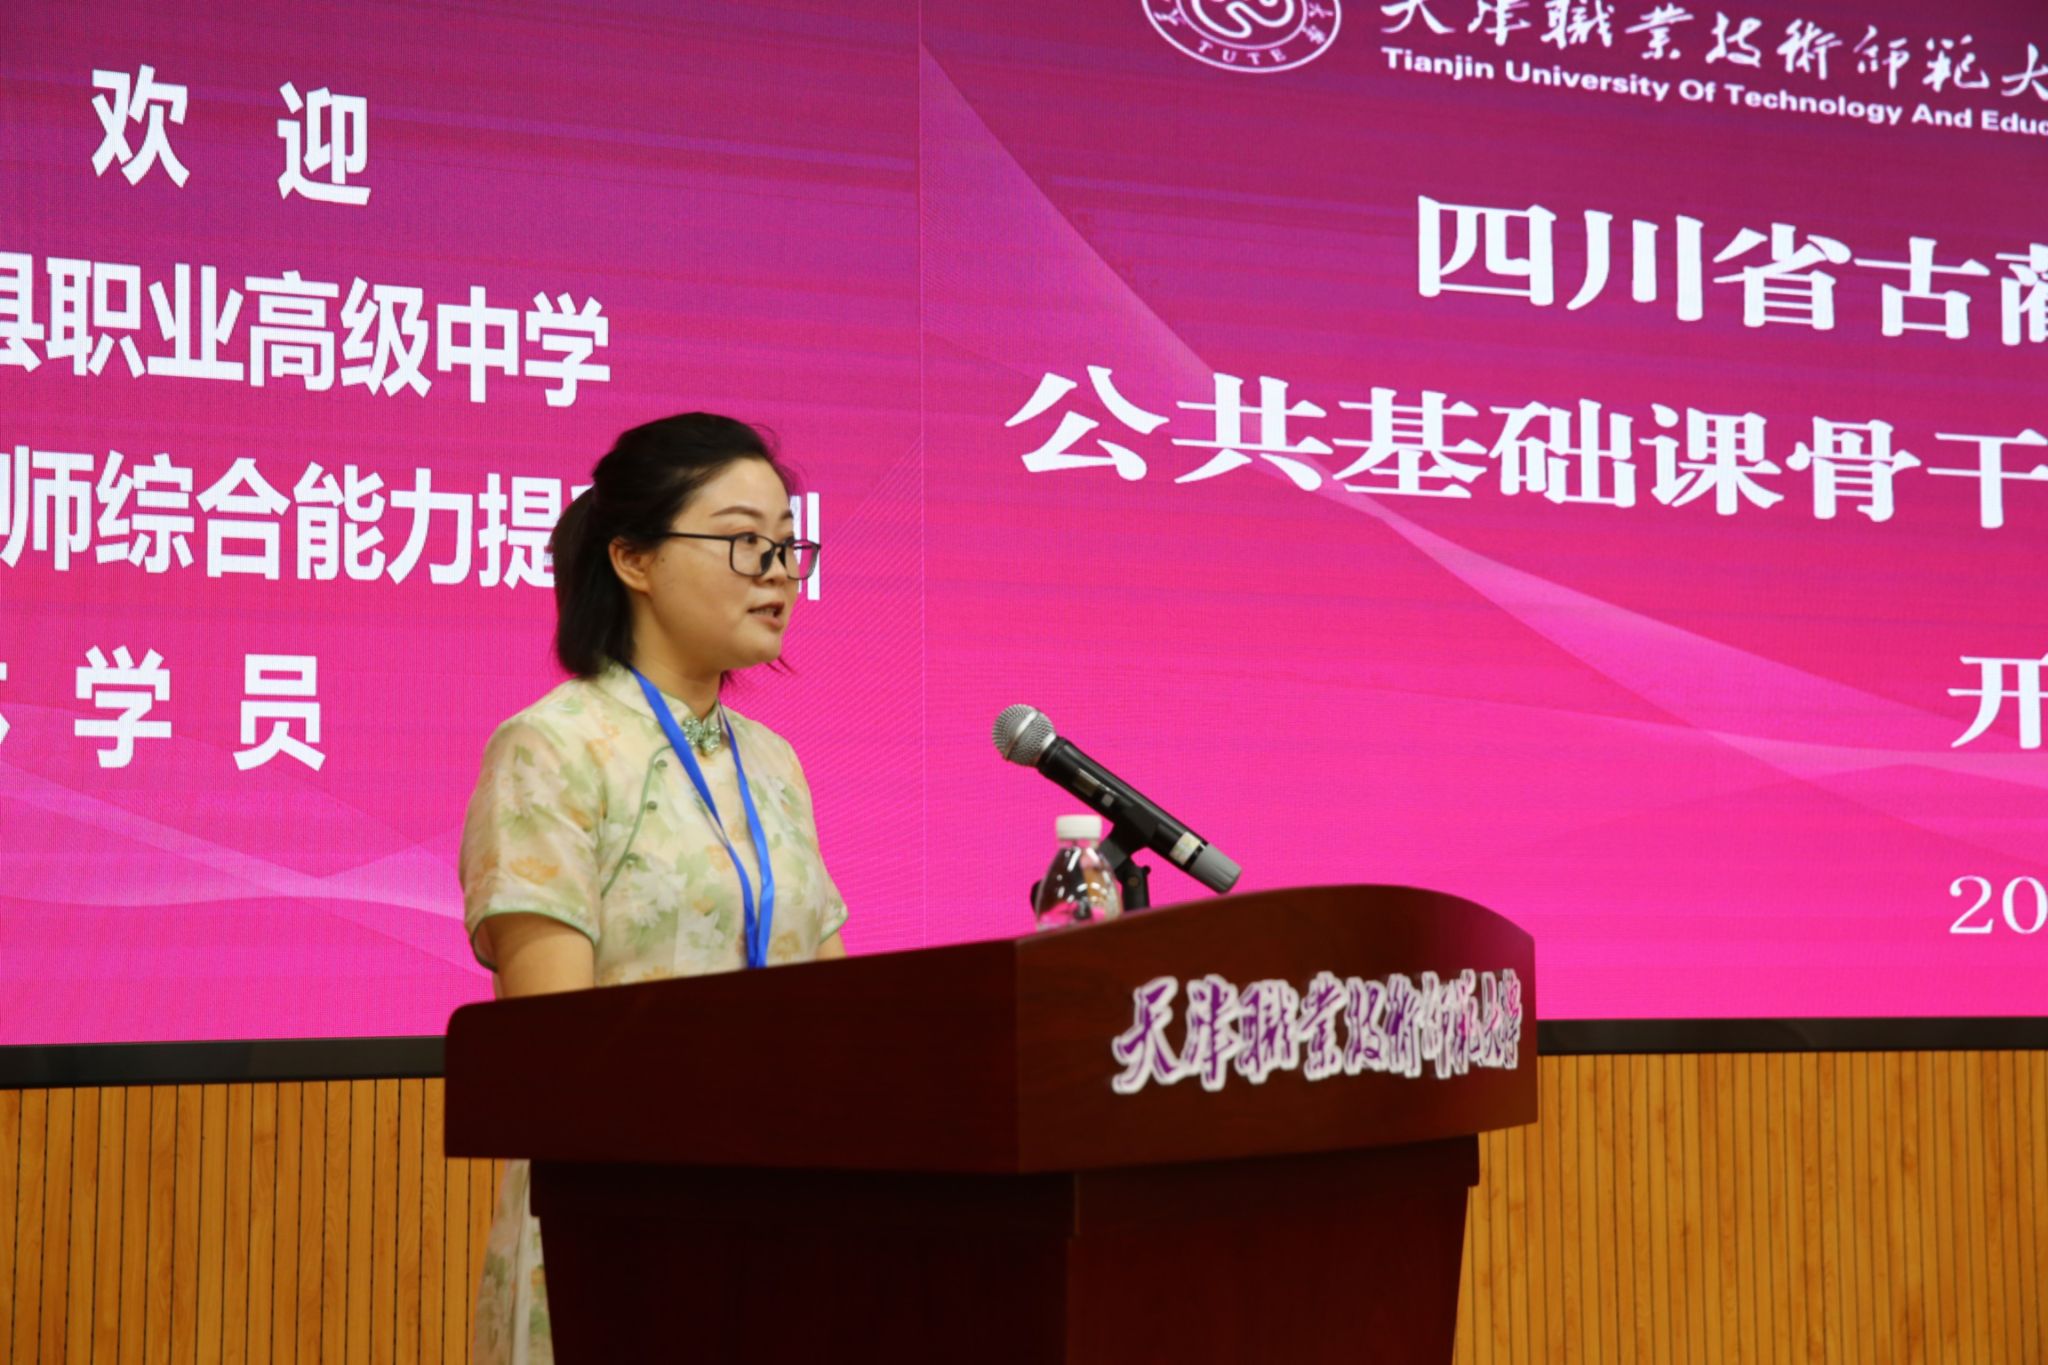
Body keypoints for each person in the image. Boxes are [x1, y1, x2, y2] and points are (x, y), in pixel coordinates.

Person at [458, 412, 844, 1364]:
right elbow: (553, 1047)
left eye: (787, 545)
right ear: (633, 558)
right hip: (617, 1226)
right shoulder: (553, 747)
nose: (779, 572)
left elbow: (841, 1006)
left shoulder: (774, 763)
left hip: (783, 1218)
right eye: (745, 541)